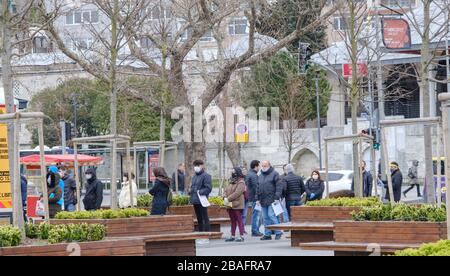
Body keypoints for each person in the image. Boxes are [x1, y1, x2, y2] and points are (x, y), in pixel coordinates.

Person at [257, 160, 283, 241]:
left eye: (265, 166)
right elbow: (257, 188)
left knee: (271, 215)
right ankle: (267, 234)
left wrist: (277, 197)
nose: (263, 167)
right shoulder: (260, 175)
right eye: (262, 166)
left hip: (272, 199)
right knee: (265, 218)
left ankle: (278, 232)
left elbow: (279, 186)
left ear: (269, 166)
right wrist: (257, 199)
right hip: (263, 199)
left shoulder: (275, 174)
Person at [224, 167, 246, 242]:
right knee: (232, 220)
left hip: (237, 204)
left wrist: (228, 198)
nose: (232, 173)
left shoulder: (241, 182)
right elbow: (226, 190)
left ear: (237, 172)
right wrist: (224, 196)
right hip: (230, 204)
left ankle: (241, 235)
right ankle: (232, 235)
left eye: (233, 171)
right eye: (232, 171)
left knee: (239, 220)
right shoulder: (231, 181)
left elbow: (237, 193)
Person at [189, 160, 212, 232]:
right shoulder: (194, 176)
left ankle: (206, 233)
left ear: (202, 166)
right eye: (195, 165)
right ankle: (201, 232)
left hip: (202, 200)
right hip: (195, 200)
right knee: (199, 218)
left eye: (198, 165)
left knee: (204, 217)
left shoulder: (206, 176)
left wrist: (200, 192)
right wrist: (190, 192)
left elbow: (208, 188)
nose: (196, 167)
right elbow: (193, 187)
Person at [247, 160, 263, 237]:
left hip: (252, 197)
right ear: (256, 166)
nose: (259, 167)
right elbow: (256, 187)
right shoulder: (253, 175)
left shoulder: (250, 174)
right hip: (254, 198)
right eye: (259, 166)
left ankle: (255, 230)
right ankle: (255, 230)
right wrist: (258, 198)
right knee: (256, 215)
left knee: (256, 215)